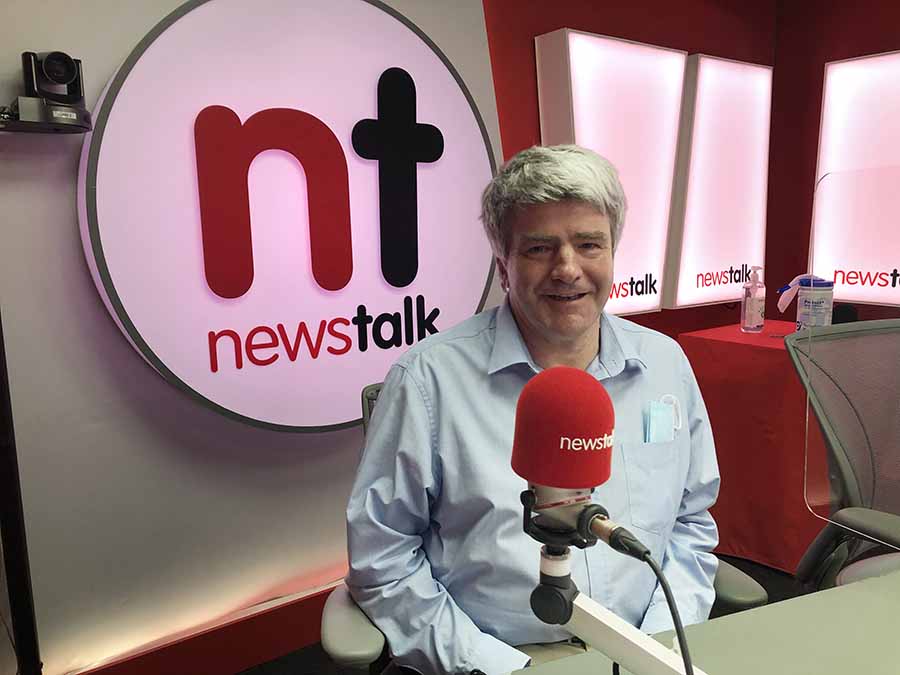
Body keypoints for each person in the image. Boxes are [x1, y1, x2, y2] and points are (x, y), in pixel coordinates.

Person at [345, 145, 720, 674]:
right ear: (503, 266)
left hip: (643, 651)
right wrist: (498, 667)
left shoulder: (665, 365)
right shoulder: (428, 381)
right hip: (495, 658)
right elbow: (382, 557)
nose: (567, 270)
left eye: (589, 244)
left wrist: (657, 652)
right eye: (540, 248)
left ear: (613, 252)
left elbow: (690, 521)